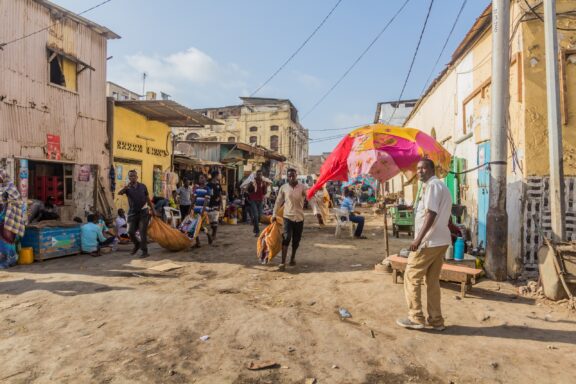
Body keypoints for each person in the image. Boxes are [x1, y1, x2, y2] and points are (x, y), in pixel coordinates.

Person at [396, 158, 453, 331]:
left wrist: (418, 239)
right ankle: (436, 320)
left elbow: (431, 214)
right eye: (418, 168)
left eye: (423, 168)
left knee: (411, 275)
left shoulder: (433, 186)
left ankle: (416, 318)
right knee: (432, 280)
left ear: (431, 169)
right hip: (440, 240)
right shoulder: (437, 186)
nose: (419, 171)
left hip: (429, 241)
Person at [273, 168, 307, 271]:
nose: (291, 177)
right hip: (288, 217)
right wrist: (274, 214)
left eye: (293, 175)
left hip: (299, 218)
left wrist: (316, 209)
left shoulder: (303, 187)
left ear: (296, 175)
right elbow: (278, 202)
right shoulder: (284, 188)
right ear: (287, 176)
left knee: (296, 241)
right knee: (286, 238)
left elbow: (310, 196)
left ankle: (292, 257)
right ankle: (283, 262)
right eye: (289, 176)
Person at [118, 170, 155, 258]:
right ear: (129, 177)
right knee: (130, 232)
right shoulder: (127, 188)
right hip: (132, 213)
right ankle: (137, 244)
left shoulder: (142, 186)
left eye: (134, 176)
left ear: (137, 177)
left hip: (143, 212)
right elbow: (119, 193)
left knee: (142, 232)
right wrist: (125, 188)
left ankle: (144, 251)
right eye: (130, 176)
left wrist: (153, 209)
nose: (132, 177)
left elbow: (147, 198)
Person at [0, 169, 26, 269]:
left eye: (0, 178)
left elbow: (18, 202)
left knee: (8, 239)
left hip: (8, 218)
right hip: (0, 218)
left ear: (4, 177)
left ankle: (11, 260)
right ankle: (2, 260)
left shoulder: (10, 187)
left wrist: (8, 203)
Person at [190, 174, 213, 246]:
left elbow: (206, 201)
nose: (200, 179)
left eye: (202, 178)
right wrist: (190, 208)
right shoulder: (197, 189)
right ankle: (198, 242)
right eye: (200, 178)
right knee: (195, 226)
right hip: (196, 209)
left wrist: (202, 211)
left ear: (205, 179)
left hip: (203, 210)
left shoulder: (207, 189)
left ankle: (208, 235)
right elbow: (194, 200)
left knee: (203, 225)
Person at [247, 170, 267, 237]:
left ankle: (255, 227)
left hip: (260, 200)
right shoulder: (252, 181)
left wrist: (265, 186)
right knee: (255, 215)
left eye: (260, 174)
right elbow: (249, 190)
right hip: (253, 200)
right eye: (258, 174)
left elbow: (264, 193)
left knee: (259, 216)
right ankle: (257, 231)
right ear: (256, 175)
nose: (259, 176)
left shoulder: (263, 182)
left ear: (262, 175)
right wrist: (251, 185)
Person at [207, 171, 223, 240]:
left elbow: (220, 194)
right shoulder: (208, 184)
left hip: (216, 204)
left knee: (215, 220)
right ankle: (213, 233)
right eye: (219, 175)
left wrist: (221, 204)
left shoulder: (218, 185)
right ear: (216, 176)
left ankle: (214, 234)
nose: (220, 176)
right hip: (210, 204)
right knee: (211, 221)